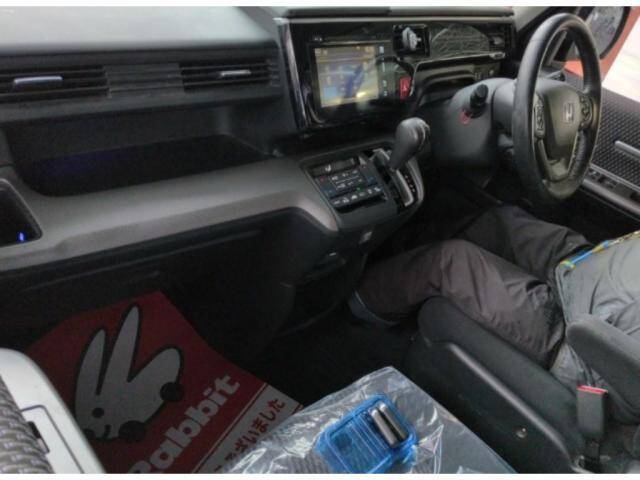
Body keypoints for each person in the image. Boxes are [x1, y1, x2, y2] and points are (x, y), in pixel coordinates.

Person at [353, 205, 640, 421]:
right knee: (499, 222)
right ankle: (396, 252)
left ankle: (358, 304)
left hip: (580, 343)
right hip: (588, 266)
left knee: (449, 262)